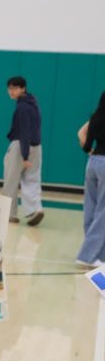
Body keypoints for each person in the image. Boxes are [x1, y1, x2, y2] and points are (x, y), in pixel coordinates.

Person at [2, 76, 44, 226]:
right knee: (32, 180)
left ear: (22, 88)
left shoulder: (22, 107)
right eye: (10, 88)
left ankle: (9, 214)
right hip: (37, 146)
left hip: (21, 146)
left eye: (14, 88)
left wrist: (25, 155)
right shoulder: (33, 103)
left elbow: (23, 131)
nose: (11, 91)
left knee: (11, 180)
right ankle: (34, 210)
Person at [76, 91, 105, 267]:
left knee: (91, 207)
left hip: (93, 163)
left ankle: (98, 255)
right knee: (103, 211)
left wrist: (88, 150)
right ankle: (86, 255)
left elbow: (81, 133)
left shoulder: (96, 117)